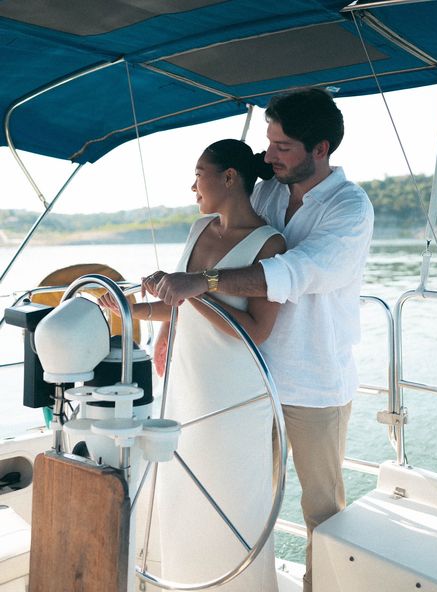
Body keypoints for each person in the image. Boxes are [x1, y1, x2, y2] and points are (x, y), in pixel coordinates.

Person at [142, 88, 374, 592]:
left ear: (321, 149)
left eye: (283, 146)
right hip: (250, 381)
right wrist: (166, 325)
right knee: (247, 496)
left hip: (314, 382)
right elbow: (221, 239)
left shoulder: (350, 209)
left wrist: (201, 287)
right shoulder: (267, 191)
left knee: (321, 506)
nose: (268, 156)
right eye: (269, 142)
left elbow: (295, 270)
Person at [101, 138, 285, 591]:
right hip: (184, 386)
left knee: (233, 503)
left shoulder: (270, 243)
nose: (192, 185)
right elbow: (180, 304)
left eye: (199, 173)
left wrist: (191, 290)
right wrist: (129, 310)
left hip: (235, 399)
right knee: (183, 497)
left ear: (229, 177)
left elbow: (256, 331)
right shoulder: (199, 227)